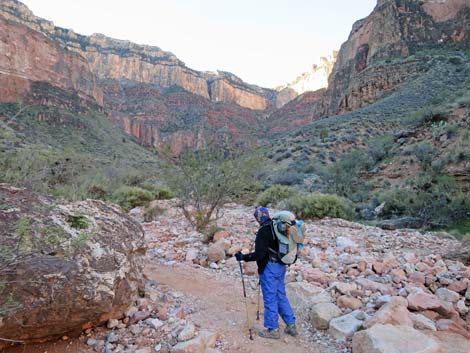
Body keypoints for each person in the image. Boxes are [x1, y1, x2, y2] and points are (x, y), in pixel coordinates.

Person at [235, 207, 297, 339]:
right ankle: (291, 325)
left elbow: (259, 254)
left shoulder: (264, 230)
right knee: (281, 295)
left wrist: (243, 257)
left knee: (270, 298)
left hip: (270, 268)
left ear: (258, 218)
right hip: (281, 266)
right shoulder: (278, 227)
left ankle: (272, 329)